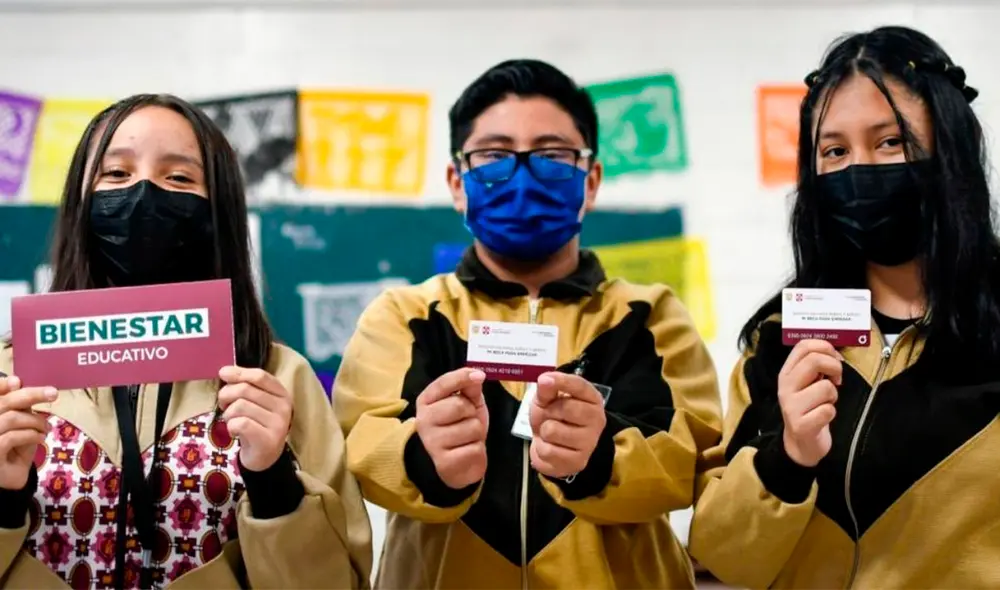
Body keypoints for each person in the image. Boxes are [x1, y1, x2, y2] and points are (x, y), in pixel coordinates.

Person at [333, 59, 722, 589]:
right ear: (457, 181)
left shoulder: (649, 316)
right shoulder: (405, 315)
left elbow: (689, 460)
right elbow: (358, 446)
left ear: (590, 181)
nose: (522, 176)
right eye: (494, 156)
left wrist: (600, 457)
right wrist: (423, 459)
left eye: (552, 155)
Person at [0, 94, 372, 589]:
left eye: (178, 178)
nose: (143, 194)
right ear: (79, 203)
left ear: (219, 210)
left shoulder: (275, 377)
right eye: (116, 174)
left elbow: (338, 583)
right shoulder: (11, 377)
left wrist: (272, 480)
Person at [689, 26, 1000, 589]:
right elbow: (722, 556)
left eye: (891, 142)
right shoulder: (777, 340)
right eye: (834, 151)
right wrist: (788, 456)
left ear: (950, 148)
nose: (859, 171)